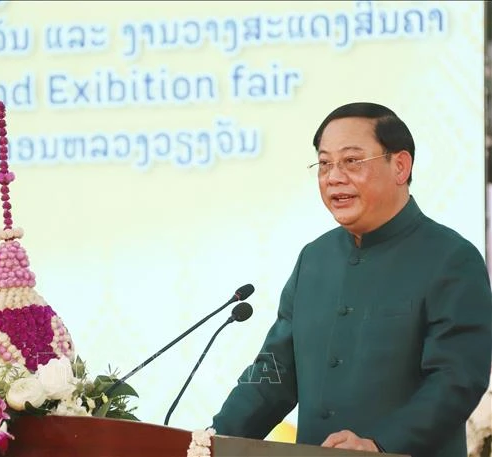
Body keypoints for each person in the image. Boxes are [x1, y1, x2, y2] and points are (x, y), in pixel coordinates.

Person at [211, 102, 492, 456]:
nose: (334, 176)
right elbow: (274, 371)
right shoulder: (313, 259)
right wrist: (212, 436)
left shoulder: (451, 258)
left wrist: (380, 444)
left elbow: (455, 380)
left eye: (352, 161)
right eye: (324, 163)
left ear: (400, 166)